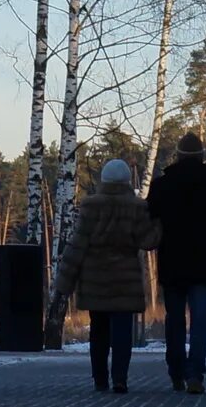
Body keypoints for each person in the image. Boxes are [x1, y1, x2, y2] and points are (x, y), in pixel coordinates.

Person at [51, 157, 158, 393]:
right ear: (127, 181)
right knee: (122, 332)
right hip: (125, 280)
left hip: (95, 279)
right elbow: (149, 241)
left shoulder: (91, 206)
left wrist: (63, 283)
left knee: (99, 331)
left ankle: (100, 379)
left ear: (104, 179)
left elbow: (77, 244)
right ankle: (120, 378)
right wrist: (159, 224)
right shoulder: (136, 207)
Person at [146, 133, 206, 393]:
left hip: (172, 263)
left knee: (174, 319)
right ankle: (195, 372)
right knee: (200, 320)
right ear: (202, 156)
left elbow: (148, 220)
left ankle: (176, 370)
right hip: (205, 267)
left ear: (178, 155)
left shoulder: (162, 186)